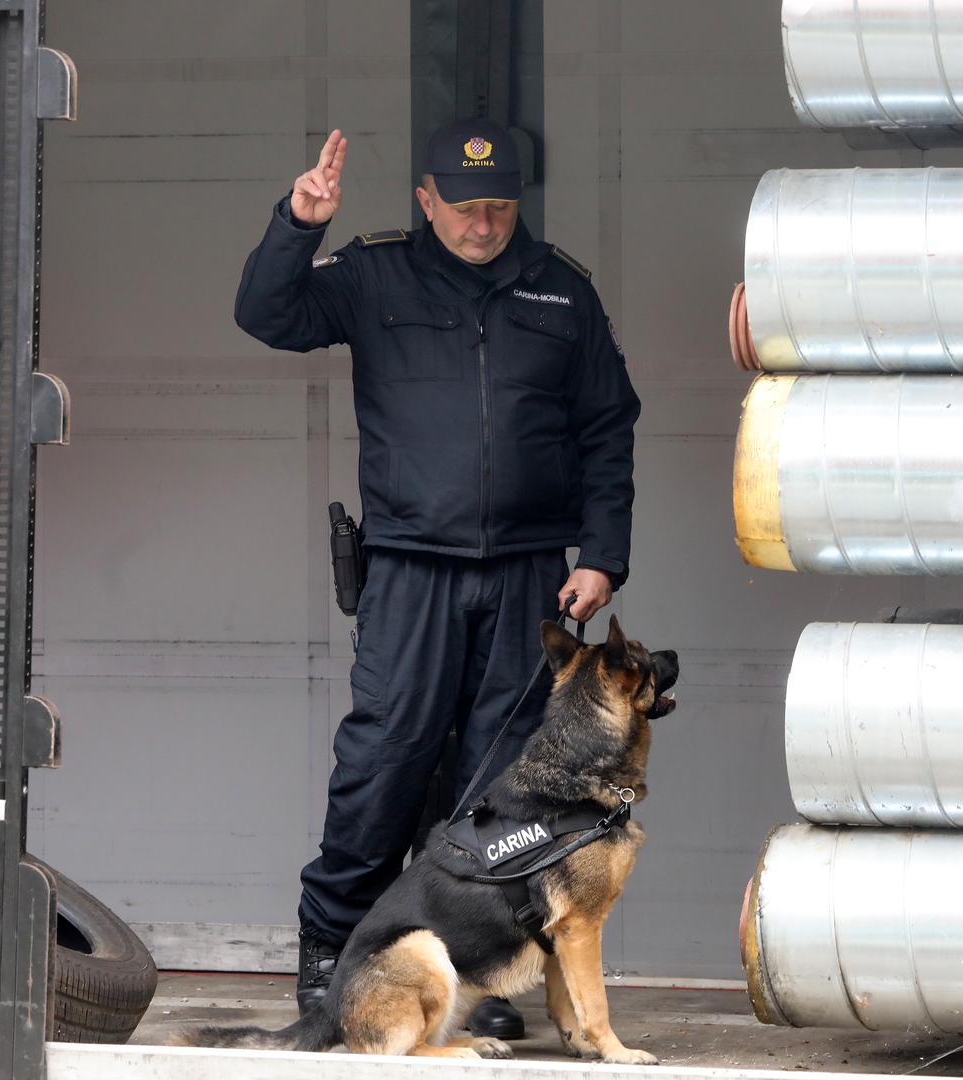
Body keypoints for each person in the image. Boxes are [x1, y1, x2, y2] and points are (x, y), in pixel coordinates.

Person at [234, 119, 640, 1039]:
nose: (483, 224)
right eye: (463, 208)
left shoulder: (561, 291)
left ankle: (474, 980)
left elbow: (607, 427)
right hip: (412, 569)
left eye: (499, 206)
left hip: (532, 577)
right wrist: (300, 223)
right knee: (385, 759)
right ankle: (330, 958)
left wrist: (602, 552)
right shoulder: (375, 275)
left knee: (499, 786)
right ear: (426, 199)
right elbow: (267, 315)